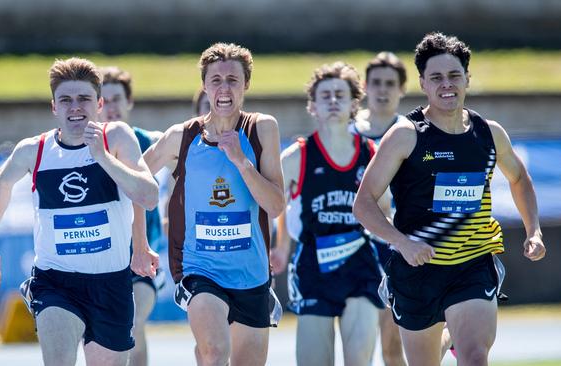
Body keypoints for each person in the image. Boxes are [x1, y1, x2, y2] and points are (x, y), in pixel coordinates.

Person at [353, 32, 546, 366]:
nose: (447, 84)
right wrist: (403, 243)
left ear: (467, 78)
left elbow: (519, 178)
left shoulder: (489, 133)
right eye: (436, 77)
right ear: (423, 84)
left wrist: (534, 231)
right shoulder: (405, 135)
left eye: (455, 75)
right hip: (418, 271)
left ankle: (457, 335)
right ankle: (446, 338)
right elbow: (364, 203)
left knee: (474, 356)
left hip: (472, 265)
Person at [0, 57, 159, 366]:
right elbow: (1, 183)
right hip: (56, 282)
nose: (75, 107)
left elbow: (149, 195)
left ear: (99, 103)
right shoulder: (35, 150)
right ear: (54, 107)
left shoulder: (116, 138)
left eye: (84, 99)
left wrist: (102, 157)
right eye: (66, 100)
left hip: (111, 283)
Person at [138, 42, 285, 366]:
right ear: (204, 86)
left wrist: (242, 162)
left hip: (251, 273)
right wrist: (138, 243)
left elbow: (275, 207)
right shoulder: (182, 136)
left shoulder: (262, 129)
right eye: (215, 80)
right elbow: (134, 182)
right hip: (199, 267)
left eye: (232, 79)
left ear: (246, 84)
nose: (224, 88)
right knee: (215, 352)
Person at [271, 61, 382, 366]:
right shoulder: (297, 156)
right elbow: (272, 204)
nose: (333, 101)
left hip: (360, 262)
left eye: (340, 95)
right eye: (325, 96)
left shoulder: (372, 154)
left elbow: (385, 208)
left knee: (359, 359)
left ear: (354, 104)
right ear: (313, 106)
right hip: (313, 266)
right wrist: (280, 247)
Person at [98, 66, 165, 366]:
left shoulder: (152, 142)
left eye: (116, 99)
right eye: (104, 100)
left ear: (129, 102)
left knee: (132, 324)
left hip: (142, 259)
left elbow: (181, 182)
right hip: (100, 259)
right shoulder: (85, 146)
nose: (110, 107)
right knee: (106, 335)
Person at [349, 51, 408, 366]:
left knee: (392, 344)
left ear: (402, 89)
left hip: (395, 244)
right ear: (364, 87)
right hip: (353, 247)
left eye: (390, 83)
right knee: (357, 347)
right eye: (376, 83)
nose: (382, 90)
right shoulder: (346, 134)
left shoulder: (412, 133)